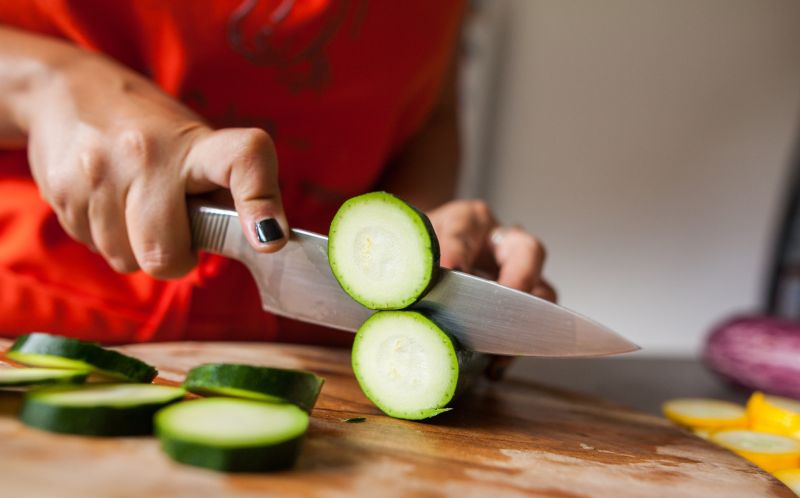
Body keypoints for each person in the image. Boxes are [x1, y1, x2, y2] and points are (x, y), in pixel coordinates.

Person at [0, 0, 554, 360]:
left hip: (325, 361)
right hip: (36, 315)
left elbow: (430, 108)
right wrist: (46, 84)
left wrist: (422, 236)